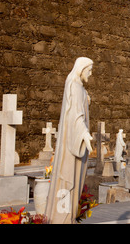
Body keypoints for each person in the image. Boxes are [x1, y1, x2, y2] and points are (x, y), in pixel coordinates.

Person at [45, 57, 94, 224]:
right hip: (73, 143)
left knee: (75, 177)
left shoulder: (80, 88)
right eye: (89, 70)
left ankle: (68, 217)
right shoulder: (74, 85)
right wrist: (84, 133)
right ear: (81, 69)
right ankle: (62, 218)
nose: (91, 73)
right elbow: (74, 116)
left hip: (76, 141)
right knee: (68, 177)